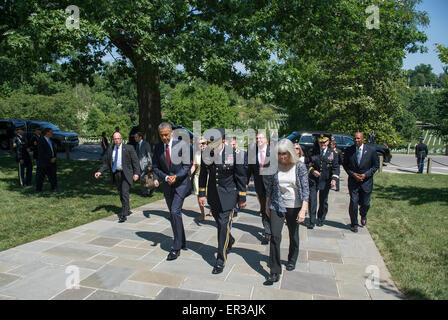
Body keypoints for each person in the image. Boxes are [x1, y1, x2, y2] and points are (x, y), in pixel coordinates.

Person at [198, 128, 247, 274]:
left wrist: (242, 197)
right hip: (213, 195)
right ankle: (229, 240)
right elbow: (203, 175)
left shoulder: (235, 155)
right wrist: (201, 194)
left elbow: (241, 177)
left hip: (229, 195)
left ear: (223, 141)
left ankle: (220, 259)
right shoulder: (206, 154)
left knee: (223, 225)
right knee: (220, 224)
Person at [265, 139, 309, 284]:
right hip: (277, 205)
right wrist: (266, 205)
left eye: (284, 153)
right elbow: (270, 188)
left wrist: (303, 210)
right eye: (279, 154)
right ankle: (274, 270)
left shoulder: (299, 166)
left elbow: (306, 190)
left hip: (295, 206)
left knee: (293, 234)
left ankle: (292, 258)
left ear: (290, 152)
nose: (282, 156)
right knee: (274, 236)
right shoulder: (274, 166)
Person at [152, 122, 192, 261]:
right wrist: (166, 177)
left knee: (175, 211)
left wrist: (177, 176)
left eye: (166, 135)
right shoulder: (157, 148)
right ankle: (182, 240)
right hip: (167, 185)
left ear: (172, 133)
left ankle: (176, 247)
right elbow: (155, 167)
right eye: (161, 135)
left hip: (181, 184)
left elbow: (187, 165)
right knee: (174, 213)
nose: (164, 138)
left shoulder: (183, 145)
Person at [94, 132, 140, 223]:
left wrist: (136, 173)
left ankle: (123, 214)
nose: (117, 140)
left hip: (126, 174)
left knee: (124, 192)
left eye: (118, 138)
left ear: (121, 139)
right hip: (116, 174)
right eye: (115, 139)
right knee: (120, 193)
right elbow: (106, 163)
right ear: (113, 140)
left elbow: (135, 161)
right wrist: (99, 171)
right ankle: (127, 208)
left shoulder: (129, 148)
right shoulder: (110, 149)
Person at [342, 131, 379, 233]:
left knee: (365, 203)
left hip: (366, 182)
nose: (356, 140)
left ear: (363, 139)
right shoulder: (349, 150)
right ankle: (354, 224)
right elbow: (345, 165)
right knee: (353, 202)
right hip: (353, 181)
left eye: (358, 138)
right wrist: (353, 174)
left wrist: (365, 175)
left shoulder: (371, 150)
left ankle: (363, 214)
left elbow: (375, 166)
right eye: (354, 138)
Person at [306, 134, 340, 229]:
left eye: (324, 142)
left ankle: (321, 218)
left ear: (328, 142)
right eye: (320, 142)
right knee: (312, 200)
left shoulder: (333, 153)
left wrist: (334, 179)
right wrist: (312, 171)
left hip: (325, 180)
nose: (322, 144)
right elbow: (306, 164)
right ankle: (311, 220)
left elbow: (336, 168)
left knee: (323, 200)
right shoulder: (312, 151)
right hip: (313, 180)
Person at [247, 131, 271, 245]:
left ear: (266, 140)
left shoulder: (273, 151)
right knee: (263, 208)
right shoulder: (252, 152)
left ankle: (273, 228)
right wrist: (245, 183)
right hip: (259, 185)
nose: (258, 140)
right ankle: (267, 232)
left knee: (272, 208)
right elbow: (249, 170)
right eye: (257, 139)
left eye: (260, 138)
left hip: (272, 185)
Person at [134, 132, 158, 197]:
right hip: (139, 165)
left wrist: (150, 164)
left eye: (136, 137)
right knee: (142, 179)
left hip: (146, 165)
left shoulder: (145, 144)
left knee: (148, 178)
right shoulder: (137, 145)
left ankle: (151, 190)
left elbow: (149, 154)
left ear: (140, 137)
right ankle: (144, 193)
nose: (135, 138)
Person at [36, 127, 58, 192]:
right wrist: (49, 159)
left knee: (53, 175)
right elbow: (41, 153)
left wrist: (54, 157)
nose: (52, 133)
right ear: (47, 133)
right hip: (44, 162)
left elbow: (53, 150)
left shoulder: (51, 140)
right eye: (51, 132)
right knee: (41, 176)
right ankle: (38, 189)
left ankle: (54, 188)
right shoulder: (41, 140)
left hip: (52, 161)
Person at [231, 137, 248, 218]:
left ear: (236, 144)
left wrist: (246, 182)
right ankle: (233, 208)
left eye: (233, 144)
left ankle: (235, 208)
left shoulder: (242, 154)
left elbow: (245, 169)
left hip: (240, 178)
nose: (232, 146)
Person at [191, 137, 207, 221]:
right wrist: (188, 175)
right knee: (199, 196)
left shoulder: (211, 153)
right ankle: (203, 214)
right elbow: (194, 166)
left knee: (210, 196)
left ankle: (212, 209)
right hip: (198, 177)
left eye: (203, 143)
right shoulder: (196, 153)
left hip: (208, 178)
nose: (201, 145)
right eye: (199, 143)